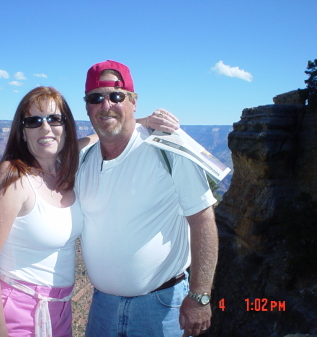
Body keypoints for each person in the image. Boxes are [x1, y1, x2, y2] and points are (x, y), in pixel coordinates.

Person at [0, 86, 179, 337]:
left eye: (54, 119)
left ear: (66, 127)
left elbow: (93, 140)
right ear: (23, 131)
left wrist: (139, 122)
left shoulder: (66, 167)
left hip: (59, 310)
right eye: (34, 121)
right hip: (19, 311)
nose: (46, 128)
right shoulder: (12, 177)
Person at [76, 60, 219, 337]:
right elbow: (53, 153)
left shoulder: (168, 148)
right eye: (96, 98)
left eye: (116, 96)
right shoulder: (84, 158)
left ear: (133, 101)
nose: (106, 105)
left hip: (161, 308)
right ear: (87, 107)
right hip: (101, 308)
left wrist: (200, 296)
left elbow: (203, 222)